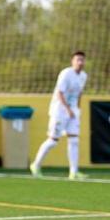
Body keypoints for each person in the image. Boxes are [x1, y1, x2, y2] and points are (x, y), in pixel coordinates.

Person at [30, 51, 89, 180]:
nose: (80, 62)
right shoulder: (66, 73)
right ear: (72, 61)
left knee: (74, 139)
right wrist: (67, 109)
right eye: (78, 59)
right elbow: (60, 93)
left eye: (82, 60)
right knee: (53, 140)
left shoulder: (84, 76)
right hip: (60, 110)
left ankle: (73, 172)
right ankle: (36, 165)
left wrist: (77, 109)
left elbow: (79, 93)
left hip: (73, 111)